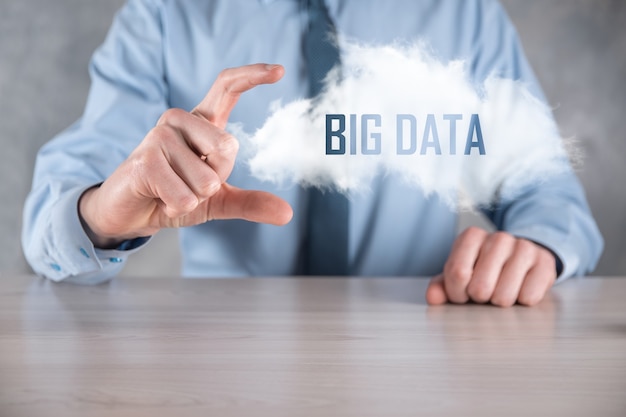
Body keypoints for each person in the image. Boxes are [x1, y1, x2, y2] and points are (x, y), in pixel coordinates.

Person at [22, 0, 603, 307]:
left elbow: (543, 190)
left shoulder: (464, 13)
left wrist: (537, 249)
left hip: (421, 341)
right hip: (219, 360)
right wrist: (98, 218)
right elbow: (55, 217)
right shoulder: (166, 14)